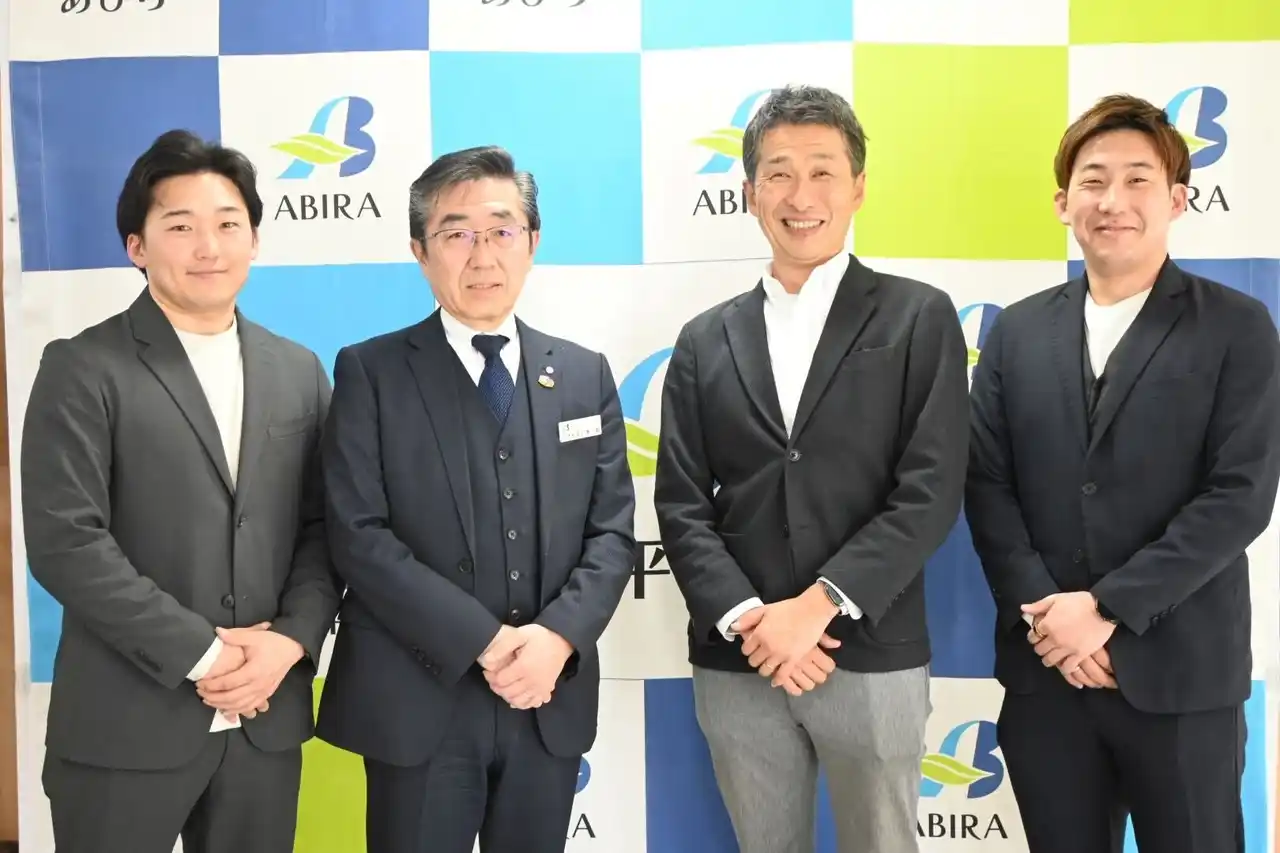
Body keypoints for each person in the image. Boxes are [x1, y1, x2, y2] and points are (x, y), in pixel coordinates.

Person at [653, 84, 969, 853]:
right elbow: (681, 501)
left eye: (823, 171)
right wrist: (751, 618)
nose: (801, 195)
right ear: (749, 192)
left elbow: (930, 489)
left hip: (871, 647)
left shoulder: (919, 315)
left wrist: (817, 606)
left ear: (858, 185)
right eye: (780, 173)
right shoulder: (703, 339)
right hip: (741, 656)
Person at [965, 94, 1280, 853]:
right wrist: (1052, 620)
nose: (1113, 200)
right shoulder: (1016, 330)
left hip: (1182, 677)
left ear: (1176, 199)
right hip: (1047, 675)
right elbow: (987, 484)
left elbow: (1238, 497)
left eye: (1138, 179)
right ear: (1063, 203)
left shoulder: (1237, 325)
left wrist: (1106, 609)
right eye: (1094, 180)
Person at [21, 129, 340, 853]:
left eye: (228, 224)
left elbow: (326, 528)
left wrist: (289, 642)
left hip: (265, 718)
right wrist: (207, 655)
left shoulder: (298, 370)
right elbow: (67, 542)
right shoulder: (82, 367)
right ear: (137, 247)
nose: (209, 247)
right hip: (125, 726)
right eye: (180, 226)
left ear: (254, 240)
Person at [314, 145, 636, 853]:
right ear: (419, 251)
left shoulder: (583, 374)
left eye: (501, 230)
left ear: (533, 241)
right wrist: (485, 643)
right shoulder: (371, 371)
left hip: (546, 695)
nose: (482, 255)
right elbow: (358, 535)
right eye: (456, 233)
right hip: (417, 700)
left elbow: (612, 534)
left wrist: (555, 639)